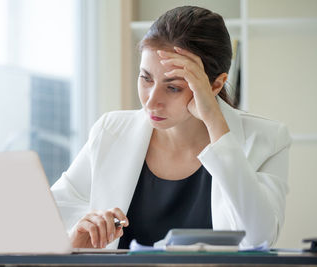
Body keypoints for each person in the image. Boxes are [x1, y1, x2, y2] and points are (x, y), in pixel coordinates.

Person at [51, 6, 291, 249]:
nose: (151, 101)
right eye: (146, 78)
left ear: (216, 85)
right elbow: (55, 216)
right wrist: (79, 233)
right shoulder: (111, 130)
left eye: (173, 87)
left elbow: (258, 239)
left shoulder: (268, 139)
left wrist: (216, 124)